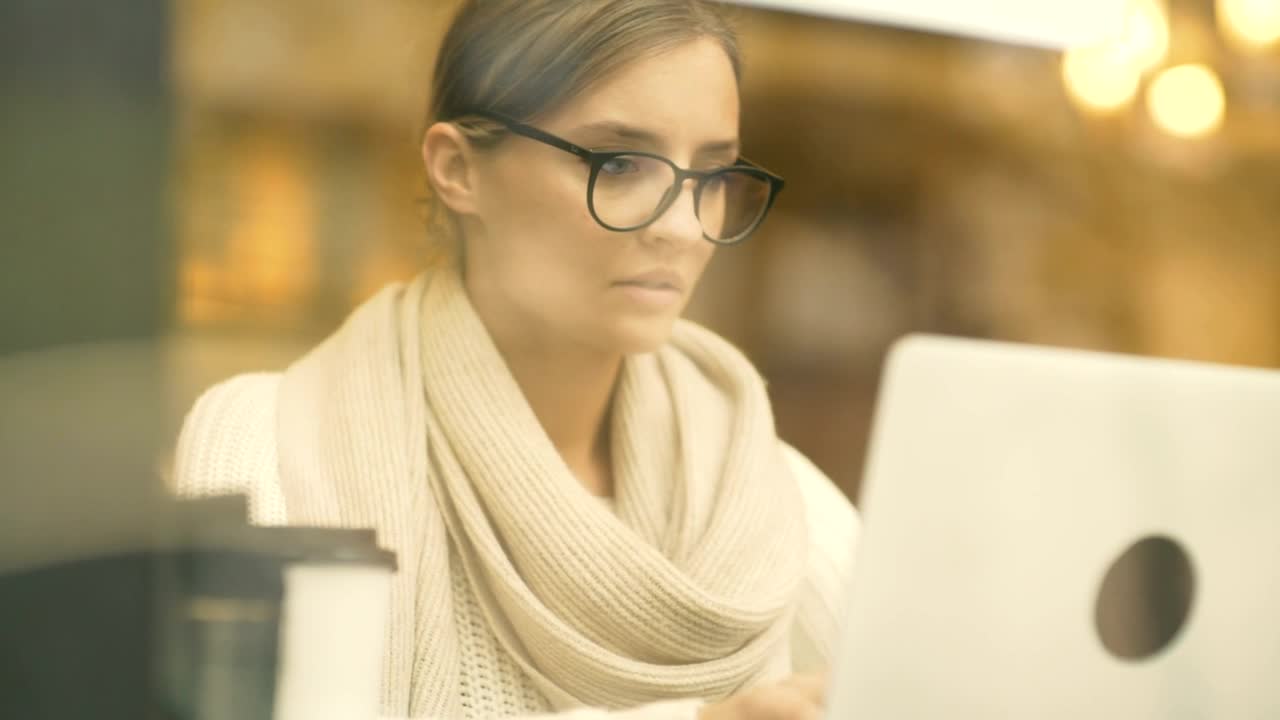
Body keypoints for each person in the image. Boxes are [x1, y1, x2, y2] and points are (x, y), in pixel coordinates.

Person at [172, 1, 859, 718]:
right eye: (620, 163)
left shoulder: (768, 492)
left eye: (711, 175)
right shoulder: (268, 443)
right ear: (458, 168)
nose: (685, 228)